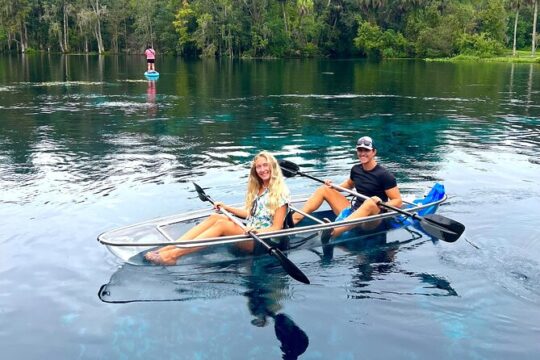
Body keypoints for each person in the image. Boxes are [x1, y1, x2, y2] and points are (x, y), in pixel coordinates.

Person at [145, 151, 290, 265]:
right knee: (216, 217)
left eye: (265, 165)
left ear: (273, 167)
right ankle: (168, 248)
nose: (262, 169)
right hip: (250, 232)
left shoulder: (279, 194)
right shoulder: (259, 188)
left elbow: (276, 228)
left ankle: (173, 256)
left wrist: (257, 230)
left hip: (263, 240)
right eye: (259, 166)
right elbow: (250, 214)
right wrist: (227, 208)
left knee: (222, 224)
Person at [292, 136, 402, 239]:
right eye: (360, 150)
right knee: (324, 189)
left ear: (374, 152)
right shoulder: (356, 169)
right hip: (354, 211)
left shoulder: (385, 175)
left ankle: (334, 232)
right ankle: (292, 221)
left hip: (373, 219)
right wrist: (332, 186)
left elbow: (397, 201)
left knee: (370, 201)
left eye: (366, 150)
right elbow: (349, 185)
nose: (362, 153)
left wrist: (377, 203)